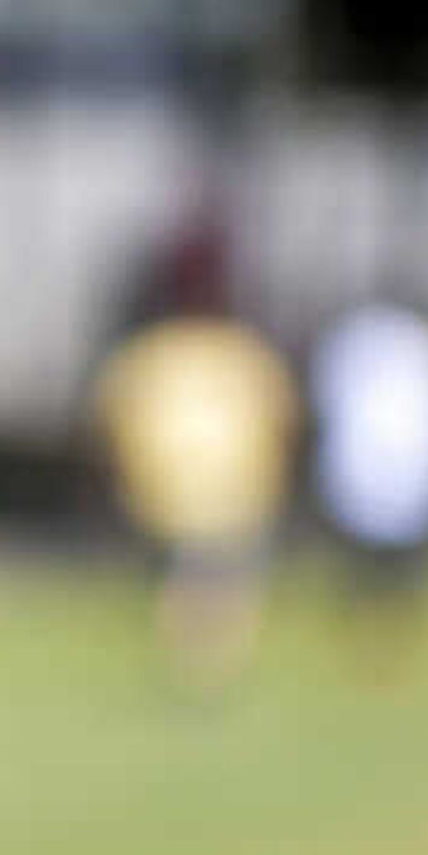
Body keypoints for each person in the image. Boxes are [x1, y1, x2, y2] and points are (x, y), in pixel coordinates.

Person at [92, 220, 299, 688]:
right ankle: (206, 660)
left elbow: (112, 418)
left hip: (172, 486)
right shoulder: (238, 352)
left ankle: (196, 656)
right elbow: (281, 417)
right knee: (217, 573)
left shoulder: (154, 354)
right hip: (229, 486)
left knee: (193, 572)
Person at [310, 298, 428, 644]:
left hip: (385, 460)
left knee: (378, 552)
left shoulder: (355, 338)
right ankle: (387, 620)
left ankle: (378, 620)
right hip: (401, 459)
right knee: (390, 552)